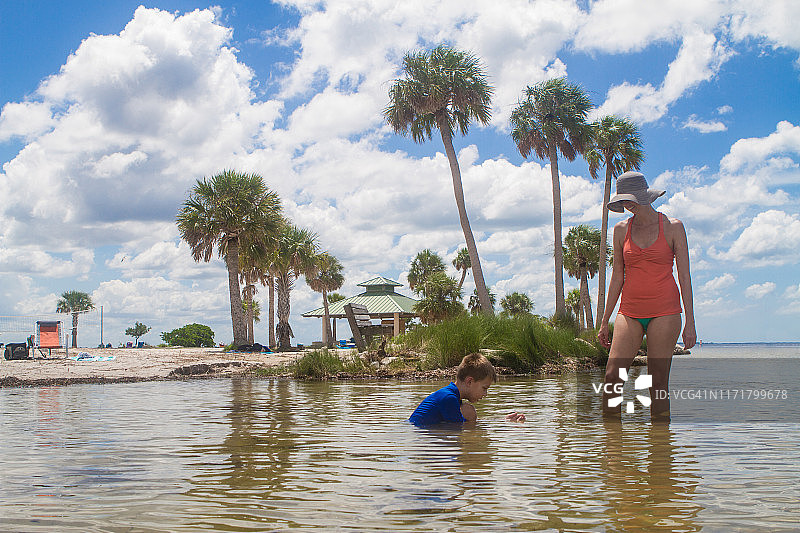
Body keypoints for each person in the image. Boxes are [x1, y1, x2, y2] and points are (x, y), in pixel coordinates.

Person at [597, 171, 697, 420]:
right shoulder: (621, 230)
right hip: (629, 311)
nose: (627, 204)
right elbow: (617, 277)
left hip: (665, 311)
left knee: (657, 383)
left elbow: (685, 277)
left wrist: (691, 324)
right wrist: (604, 320)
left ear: (645, 196)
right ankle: (612, 448)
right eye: (623, 200)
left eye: (630, 198)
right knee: (612, 379)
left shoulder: (673, 227)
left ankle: (661, 452)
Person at [409, 353, 525, 425]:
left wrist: (503, 421)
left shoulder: (453, 397)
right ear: (469, 381)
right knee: (469, 412)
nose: (485, 394)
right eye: (484, 388)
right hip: (416, 436)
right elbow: (462, 431)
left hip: (418, 432)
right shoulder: (448, 398)